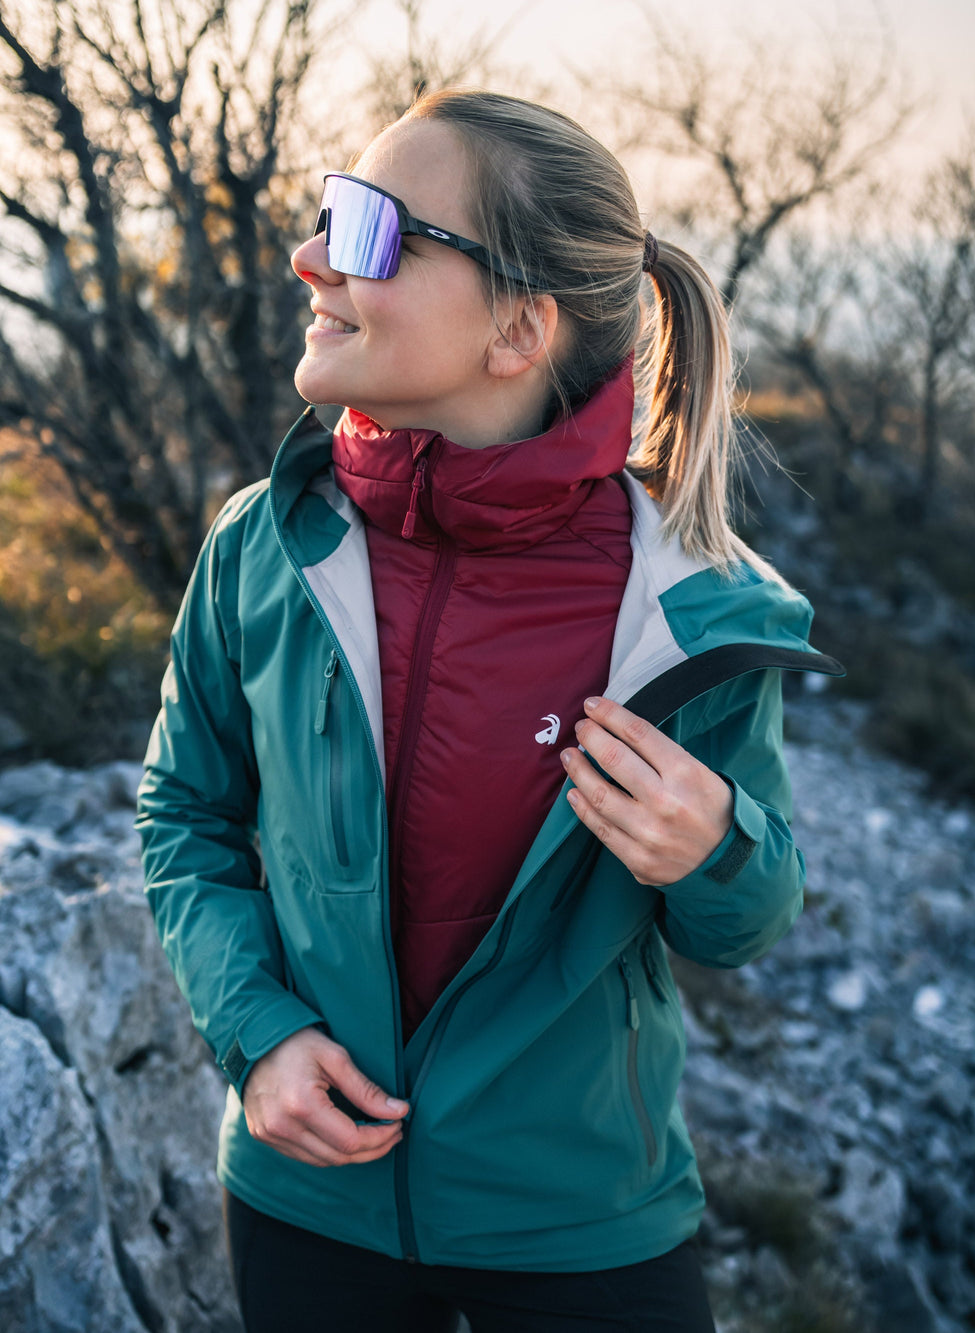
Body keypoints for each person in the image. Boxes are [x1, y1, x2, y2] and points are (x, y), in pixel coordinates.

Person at [136, 89, 841, 1333]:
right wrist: (257, 1033)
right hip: (309, 1199)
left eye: (369, 230)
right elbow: (185, 812)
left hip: (582, 1223)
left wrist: (713, 847)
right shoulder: (261, 546)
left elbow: (743, 921)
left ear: (517, 329)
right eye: (329, 213)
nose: (309, 256)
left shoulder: (685, 608)